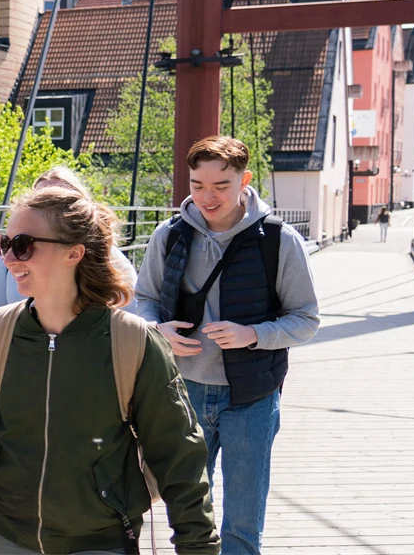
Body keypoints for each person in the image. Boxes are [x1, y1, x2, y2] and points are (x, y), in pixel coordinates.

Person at [0, 187, 219, 555]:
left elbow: (180, 460)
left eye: (24, 245)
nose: (9, 259)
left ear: (74, 253)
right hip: (5, 539)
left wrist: (198, 547)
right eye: (4, 244)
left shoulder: (133, 341)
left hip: (101, 542)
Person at [132, 135, 320, 555]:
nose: (207, 196)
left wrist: (253, 335)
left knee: (242, 525)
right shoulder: (169, 235)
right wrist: (156, 329)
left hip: (251, 398)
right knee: (188, 515)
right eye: (197, 185)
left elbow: (306, 319)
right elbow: (142, 299)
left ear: (245, 180)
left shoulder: (279, 241)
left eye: (220, 185)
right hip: (183, 393)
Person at [0, 166, 141, 319]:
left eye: (60, 201)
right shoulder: (8, 259)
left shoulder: (114, 262)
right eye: (39, 199)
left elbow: (131, 320)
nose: (10, 258)